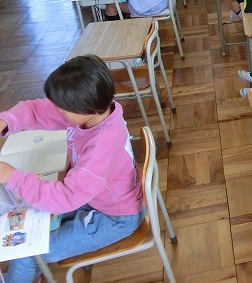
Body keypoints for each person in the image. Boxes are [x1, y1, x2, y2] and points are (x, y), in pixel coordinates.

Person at [0, 55, 144, 283]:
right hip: (96, 200)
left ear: (86, 106)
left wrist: (12, 176)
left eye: (63, 109)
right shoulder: (94, 112)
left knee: (27, 253)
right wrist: (6, 121)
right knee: (25, 218)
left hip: (115, 218)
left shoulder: (101, 145)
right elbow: (36, 110)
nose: (58, 112)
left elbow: (67, 197)